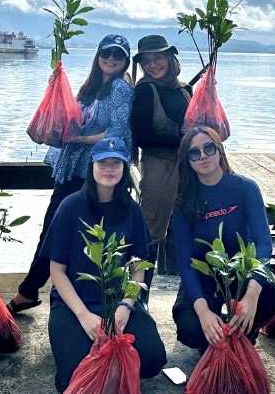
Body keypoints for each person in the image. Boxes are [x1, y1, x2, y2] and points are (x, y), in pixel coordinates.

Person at [9, 34, 134, 314]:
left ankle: (30, 290)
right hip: (73, 170)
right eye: (107, 52)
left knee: (59, 230)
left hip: (92, 172)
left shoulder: (119, 89)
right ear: (98, 55)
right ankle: (35, 289)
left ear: (126, 61)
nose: (111, 58)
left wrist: (81, 140)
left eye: (118, 55)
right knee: (57, 229)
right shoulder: (91, 87)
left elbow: (118, 132)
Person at [41, 137, 167, 392]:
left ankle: (114, 362)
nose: (109, 169)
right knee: (73, 375)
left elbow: (139, 266)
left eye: (116, 163)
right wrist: (84, 315)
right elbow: (57, 271)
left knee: (152, 359)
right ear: (92, 166)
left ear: (124, 168)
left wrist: (126, 306)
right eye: (102, 163)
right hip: (75, 303)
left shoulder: (132, 210)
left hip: (116, 301)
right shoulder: (70, 206)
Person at [170, 126, 275, 351]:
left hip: (242, 270)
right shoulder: (183, 202)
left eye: (208, 148)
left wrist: (251, 294)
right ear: (187, 161)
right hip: (205, 274)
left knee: (268, 295)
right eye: (194, 152)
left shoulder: (246, 188)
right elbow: (185, 264)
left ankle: (245, 333)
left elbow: (263, 243)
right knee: (190, 326)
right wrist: (203, 313)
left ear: (219, 149)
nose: (203, 155)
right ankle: (212, 339)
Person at [130, 34, 193, 249]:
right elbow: (142, 136)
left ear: (169, 57)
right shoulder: (145, 90)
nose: (152, 65)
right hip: (159, 165)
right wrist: (183, 141)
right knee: (152, 228)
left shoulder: (184, 89)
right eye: (146, 61)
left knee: (188, 225)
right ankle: (141, 269)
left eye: (157, 58)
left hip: (188, 165)